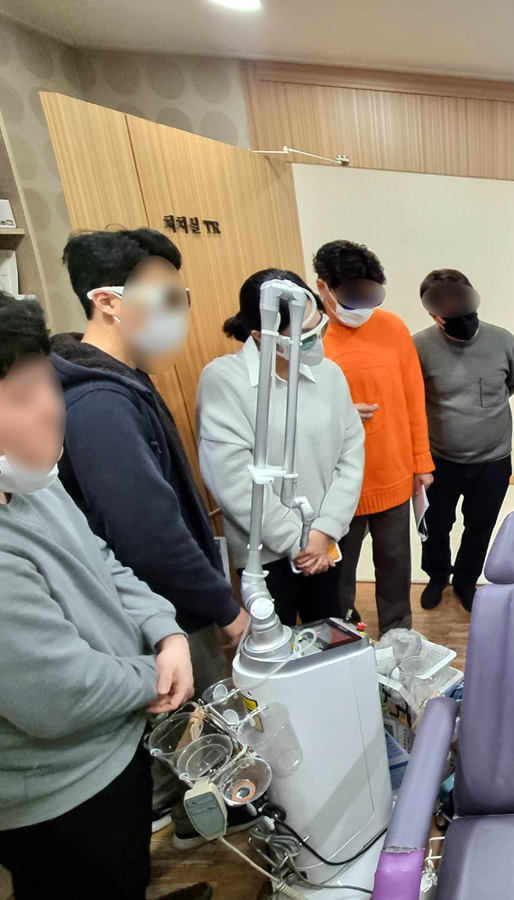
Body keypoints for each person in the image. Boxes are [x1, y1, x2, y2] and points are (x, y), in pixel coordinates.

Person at [0, 293, 209, 900]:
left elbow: (103, 561)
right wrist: (156, 675)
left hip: (115, 746)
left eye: (46, 384)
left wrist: (166, 630)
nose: (51, 408)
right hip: (58, 789)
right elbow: (58, 695)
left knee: (127, 871)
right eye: (21, 397)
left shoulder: (33, 479)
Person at [52, 229, 248, 833]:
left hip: (171, 600)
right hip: (154, 608)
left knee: (194, 728)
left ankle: (196, 817)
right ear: (108, 301)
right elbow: (147, 533)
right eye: (166, 298)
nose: (179, 313)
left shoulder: (123, 382)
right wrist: (222, 607)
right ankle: (187, 823)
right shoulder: (98, 403)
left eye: (181, 297)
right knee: (182, 731)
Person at [196, 269, 364, 627]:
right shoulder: (224, 380)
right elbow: (233, 479)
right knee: (277, 646)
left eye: (319, 327)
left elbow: (351, 454)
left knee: (331, 634)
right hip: (267, 553)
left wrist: (324, 530)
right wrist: (297, 540)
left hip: (326, 541)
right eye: (304, 336)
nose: (316, 341)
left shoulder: (330, 374)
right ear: (260, 335)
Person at [315, 240, 433, 633]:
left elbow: (413, 396)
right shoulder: (311, 337)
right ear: (323, 287)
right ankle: (342, 634)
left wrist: (421, 462)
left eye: (371, 294)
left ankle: (399, 634)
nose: (363, 305)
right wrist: (339, 414)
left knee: (395, 565)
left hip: (393, 473)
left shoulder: (392, 327)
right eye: (353, 295)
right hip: (336, 484)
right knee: (339, 571)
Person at [413, 268, 514, 612]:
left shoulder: (503, 340)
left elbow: (512, 383)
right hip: (438, 460)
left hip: (493, 460)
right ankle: (437, 577)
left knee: (480, 527)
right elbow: (413, 401)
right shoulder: (418, 347)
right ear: (434, 314)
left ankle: (465, 580)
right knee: (435, 526)